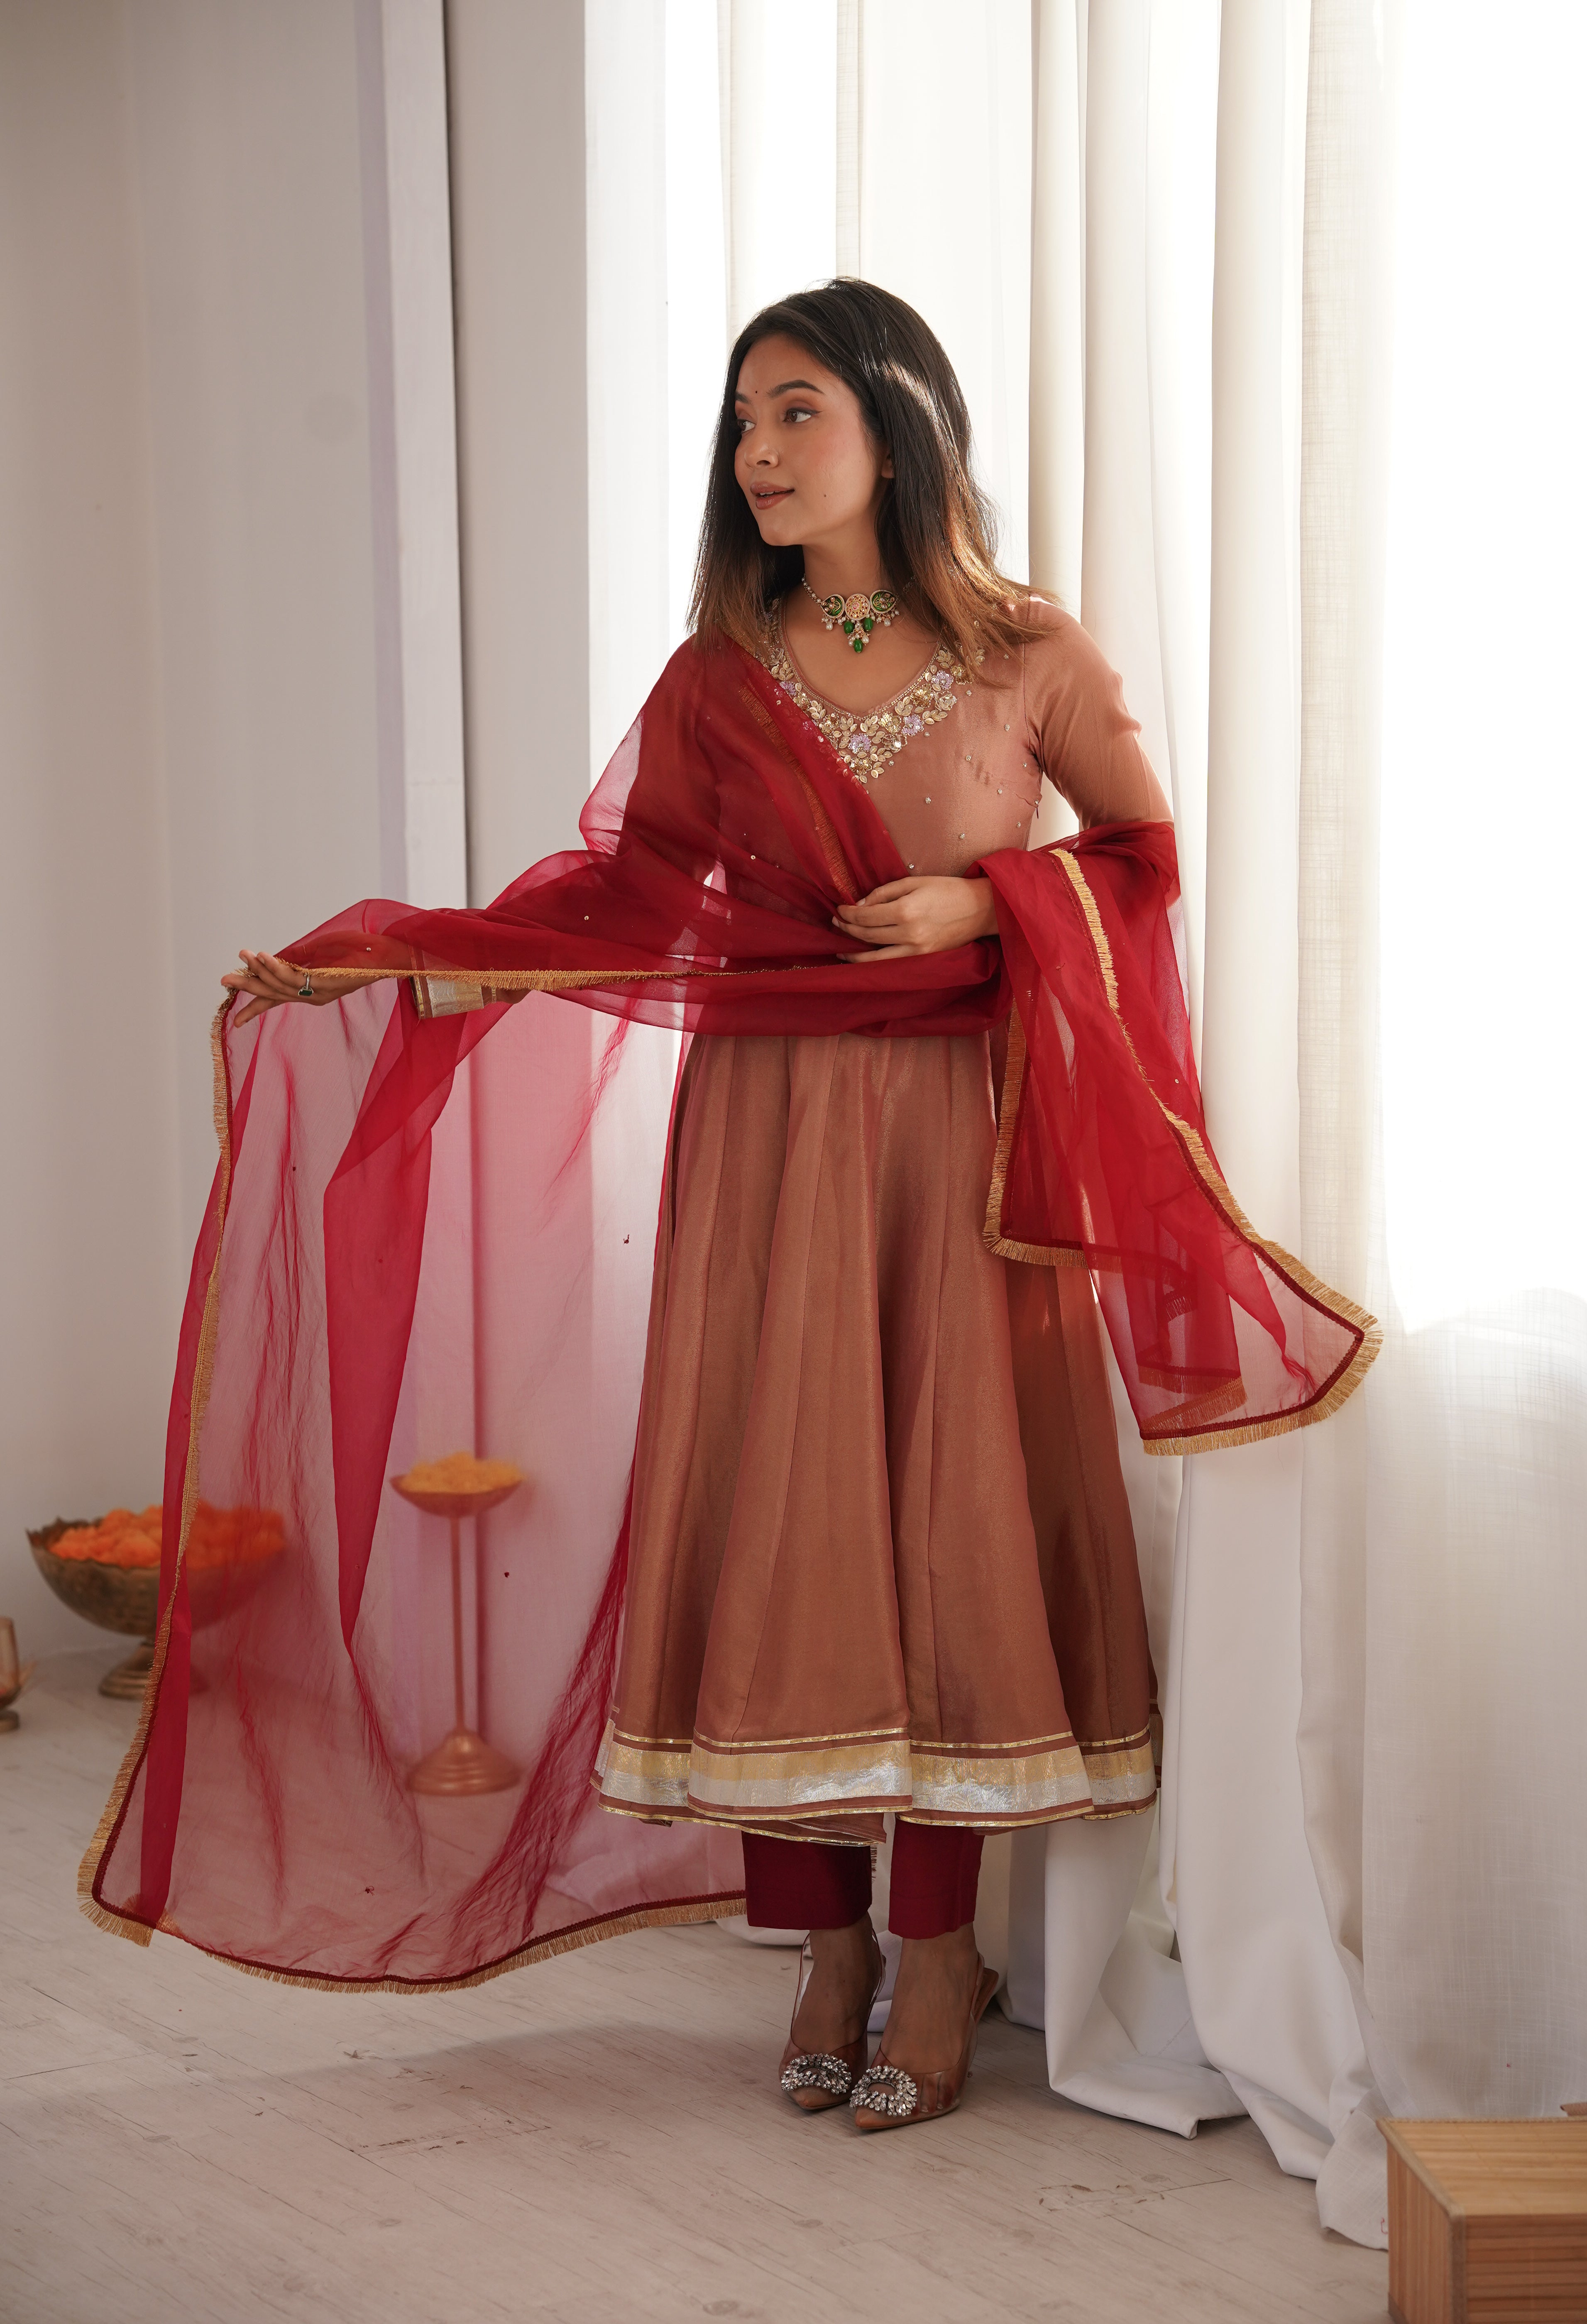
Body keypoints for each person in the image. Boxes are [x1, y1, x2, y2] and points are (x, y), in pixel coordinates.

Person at [90, 282, 1374, 2136]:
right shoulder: (719, 672)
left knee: (939, 1525)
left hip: (960, 1158)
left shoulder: (1029, 654)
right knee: (780, 1518)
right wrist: (402, 964)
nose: (760, 456)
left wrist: (994, 904)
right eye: (745, 420)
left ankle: (940, 1944)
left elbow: (1145, 865)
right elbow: (620, 900)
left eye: (797, 415)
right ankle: (820, 1941)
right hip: (764, 1140)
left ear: (895, 424)